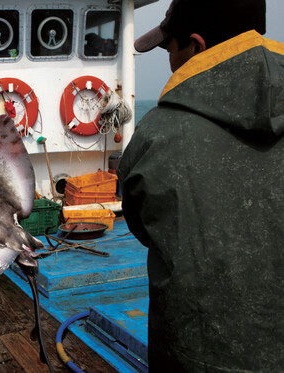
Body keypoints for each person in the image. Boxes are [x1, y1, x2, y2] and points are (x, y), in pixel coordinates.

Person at [118, 0, 284, 371]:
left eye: (170, 49)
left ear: (197, 45)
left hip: (197, 356)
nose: (170, 61)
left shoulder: (157, 135)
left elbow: (144, 228)